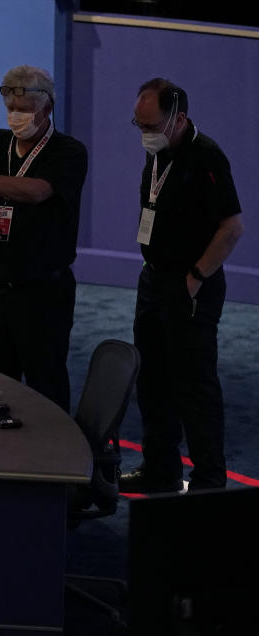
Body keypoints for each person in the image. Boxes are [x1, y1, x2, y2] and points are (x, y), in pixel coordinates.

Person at [119, 78, 244, 493]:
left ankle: (209, 480)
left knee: (194, 385)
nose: (145, 134)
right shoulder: (159, 153)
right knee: (152, 381)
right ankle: (161, 469)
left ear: (180, 118)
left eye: (151, 126)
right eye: (139, 126)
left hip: (191, 285)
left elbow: (231, 227)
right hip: (153, 279)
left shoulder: (207, 157)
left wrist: (196, 278)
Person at [0, 65, 88, 412]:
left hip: (42, 292)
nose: (15, 116)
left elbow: (38, 191)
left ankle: (53, 459)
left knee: (45, 383)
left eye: (23, 110)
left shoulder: (68, 151)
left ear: (47, 108)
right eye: (11, 109)